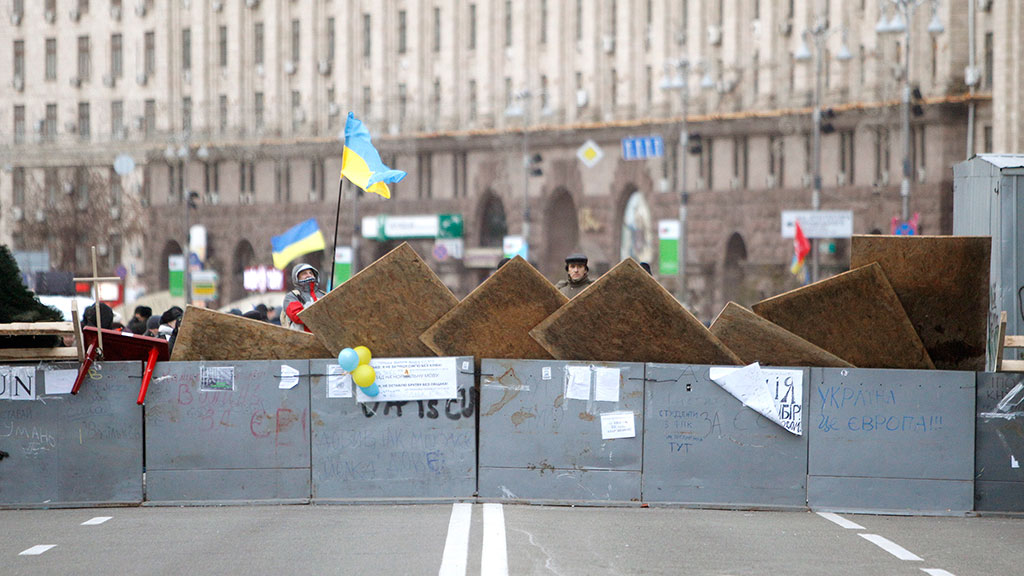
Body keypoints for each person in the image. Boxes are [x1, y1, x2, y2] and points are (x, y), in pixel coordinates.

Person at [282, 263, 326, 332]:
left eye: (311, 273)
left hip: (324, 337)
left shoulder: (323, 294)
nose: (309, 275)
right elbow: (298, 316)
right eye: (304, 273)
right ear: (297, 277)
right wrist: (323, 315)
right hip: (302, 337)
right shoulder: (292, 296)